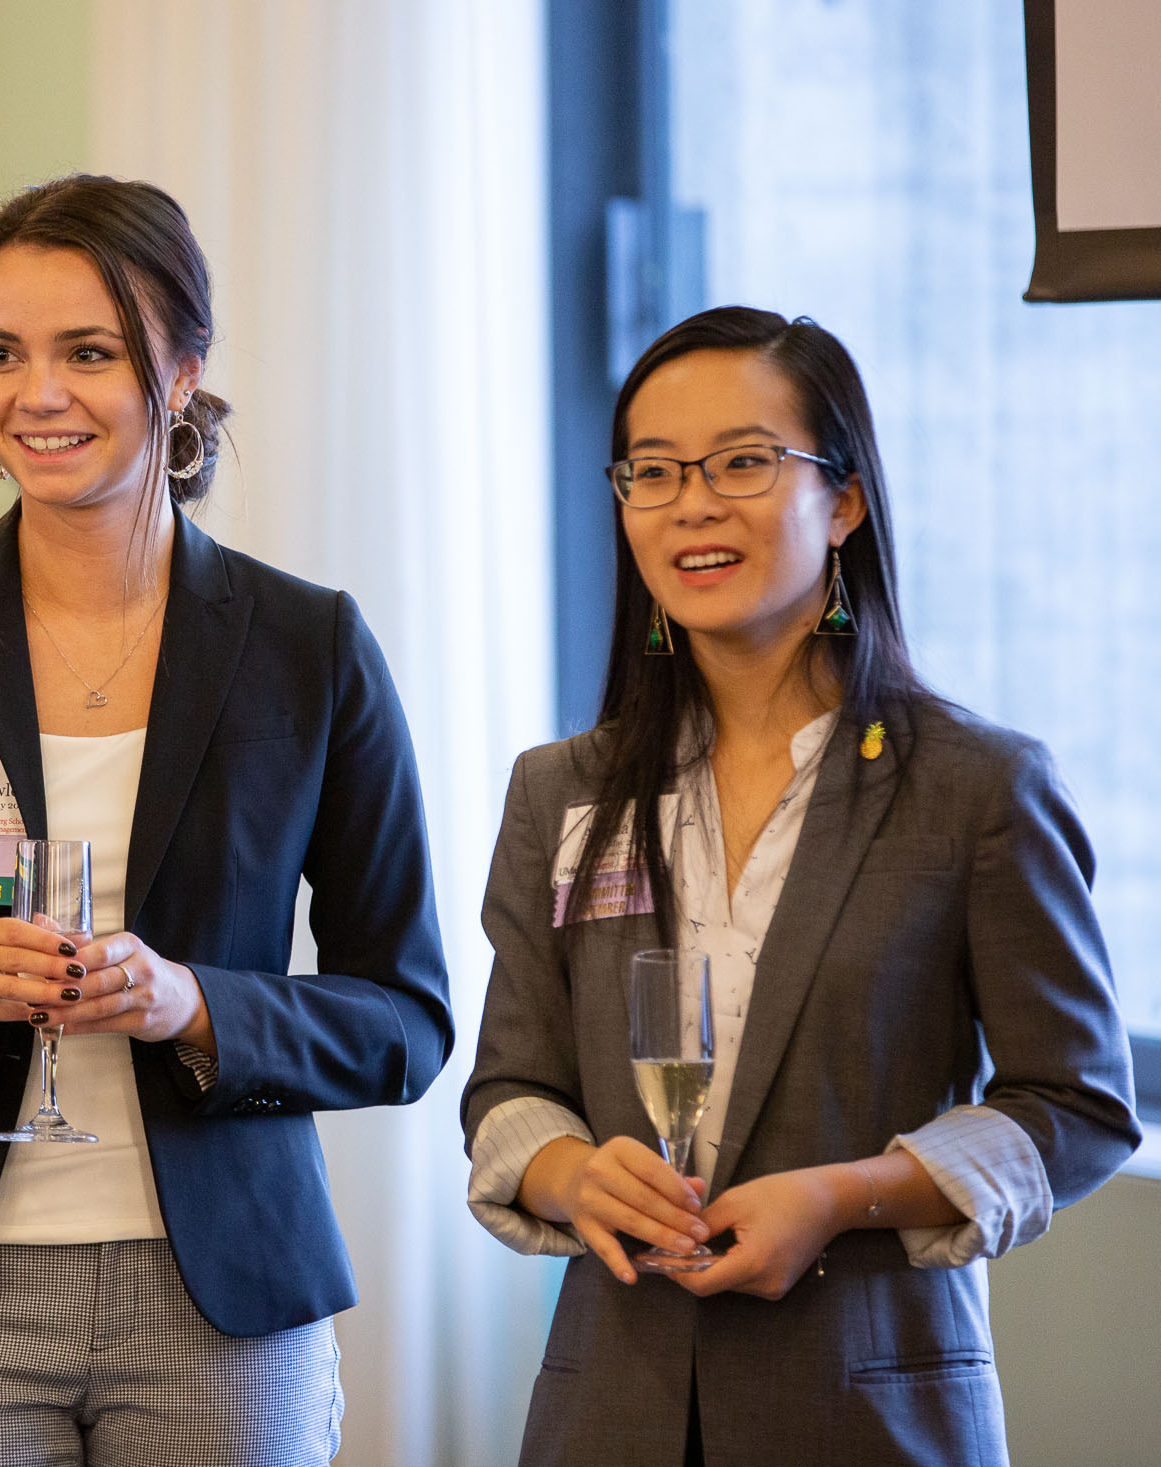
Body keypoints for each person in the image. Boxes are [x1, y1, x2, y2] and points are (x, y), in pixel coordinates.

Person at [0, 174, 451, 1467]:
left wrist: (195, 1003)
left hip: (225, 1296)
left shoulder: (307, 646)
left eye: (89, 352)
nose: (37, 395)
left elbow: (405, 1021)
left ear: (181, 371)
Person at [462, 306, 1141, 1466]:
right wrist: (571, 1175)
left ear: (843, 501)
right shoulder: (559, 791)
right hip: (608, 1410)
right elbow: (509, 1085)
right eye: (653, 472)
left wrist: (840, 1197)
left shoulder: (976, 788)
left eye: (741, 462)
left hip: (869, 1406)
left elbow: (1074, 1108)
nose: (691, 504)